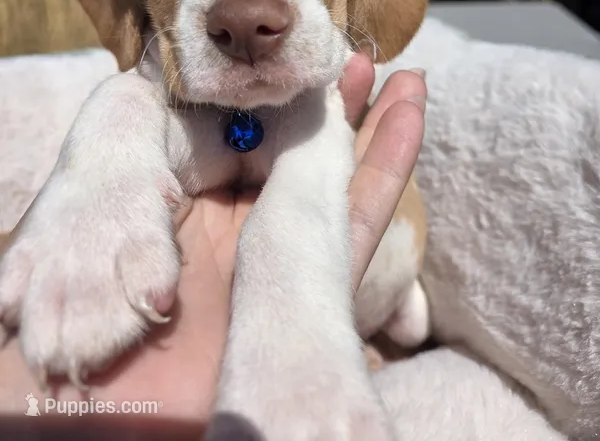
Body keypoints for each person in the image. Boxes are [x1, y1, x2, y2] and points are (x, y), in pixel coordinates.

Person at [0, 55, 426, 439]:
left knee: (414, 324)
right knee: (125, 95)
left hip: (392, 297)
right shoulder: (147, 91)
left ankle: (394, 311)